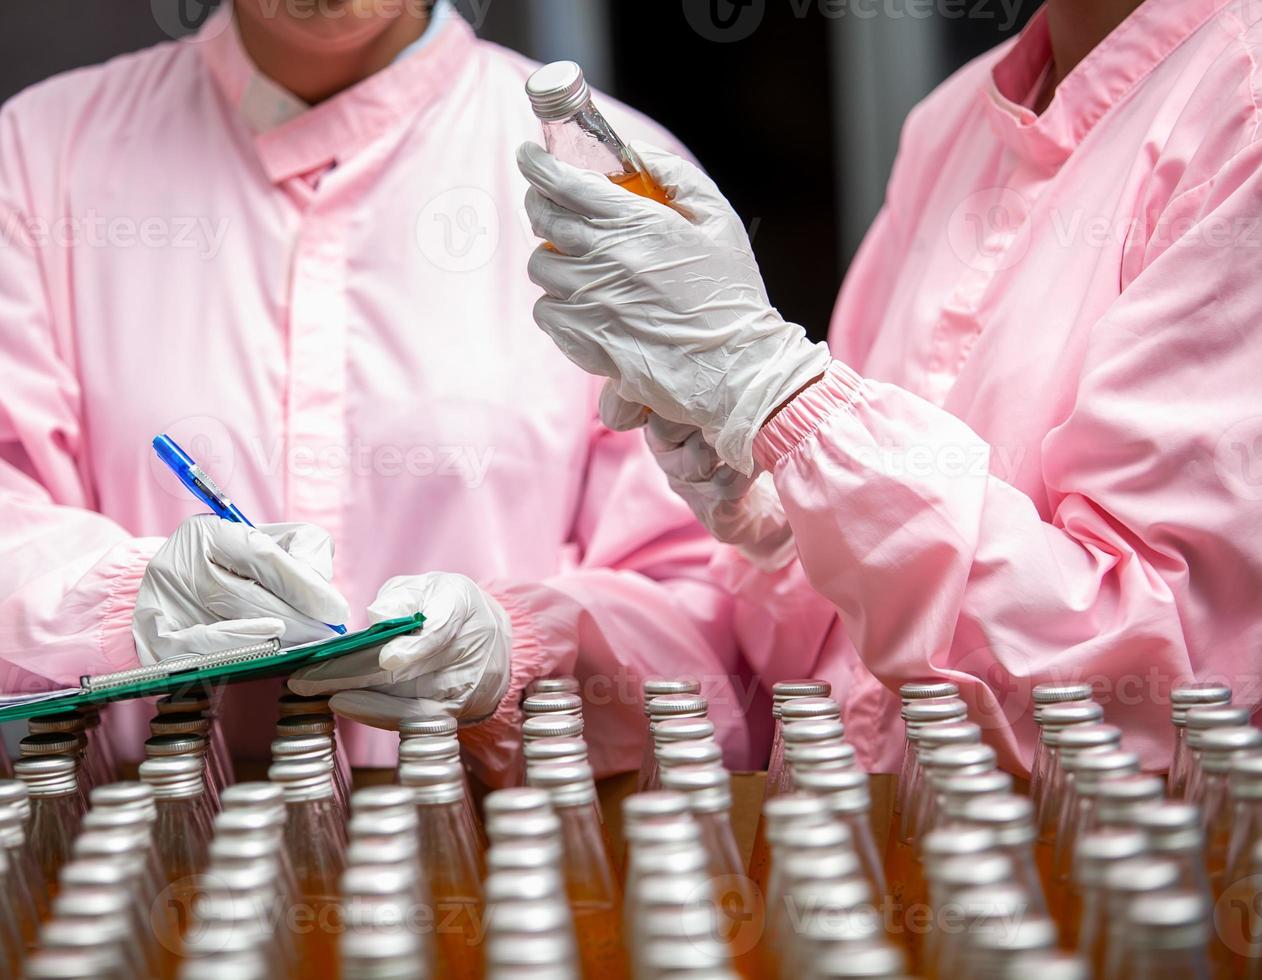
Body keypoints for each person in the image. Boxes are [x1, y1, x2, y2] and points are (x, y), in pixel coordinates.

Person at [0, 0, 757, 775]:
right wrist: (121, 599)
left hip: (514, 870)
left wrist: (519, 654)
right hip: (146, 868)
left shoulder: (607, 181)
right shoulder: (47, 156)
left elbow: (724, 613)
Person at [505, 0, 1262, 775]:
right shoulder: (953, 122)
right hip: (872, 854)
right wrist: (771, 509)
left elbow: (1155, 702)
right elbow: (813, 666)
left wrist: (778, 397)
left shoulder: (1244, 108)